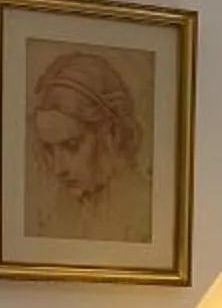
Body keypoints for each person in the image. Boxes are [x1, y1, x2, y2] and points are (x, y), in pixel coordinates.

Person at [22, 45, 155, 245]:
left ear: (112, 133)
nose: (58, 168)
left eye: (72, 146)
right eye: (49, 149)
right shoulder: (62, 209)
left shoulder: (145, 214)